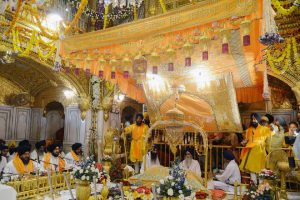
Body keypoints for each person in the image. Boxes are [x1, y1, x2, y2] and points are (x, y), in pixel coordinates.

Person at [239, 113, 270, 184]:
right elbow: (247, 140)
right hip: (251, 152)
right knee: (252, 171)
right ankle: (253, 188)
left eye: (255, 119)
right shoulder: (249, 130)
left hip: (260, 152)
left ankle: (261, 189)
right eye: (252, 119)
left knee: (260, 171)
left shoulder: (264, 129)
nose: (253, 120)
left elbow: (271, 135)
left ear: (258, 119)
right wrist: (244, 142)